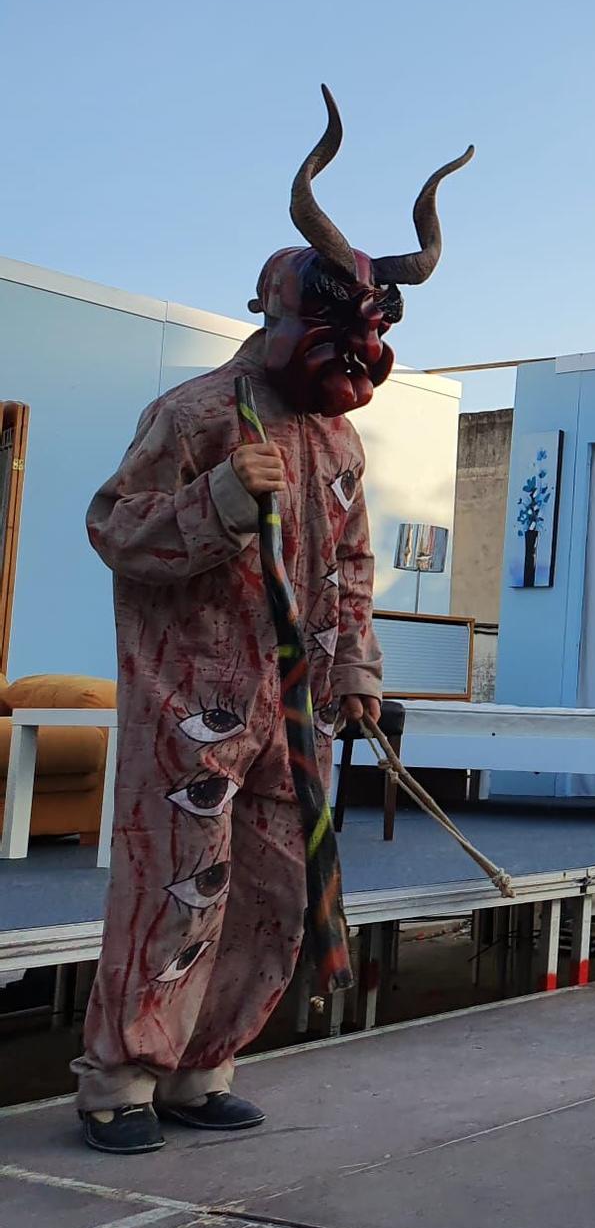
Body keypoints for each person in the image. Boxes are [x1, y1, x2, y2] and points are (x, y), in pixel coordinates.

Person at [73, 88, 470, 1153]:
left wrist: (356, 670)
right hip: (191, 703)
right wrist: (217, 500)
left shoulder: (339, 444)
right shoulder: (196, 414)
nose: (359, 354)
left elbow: (351, 566)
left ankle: (201, 1068)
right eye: (338, 329)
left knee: (275, 890)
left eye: (371, 333)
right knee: (176, 884)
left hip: (293, 712)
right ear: (275, 314)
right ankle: (120, 1077)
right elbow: (115, 528)